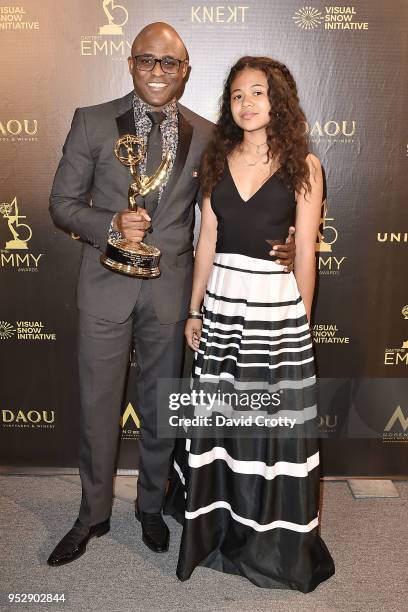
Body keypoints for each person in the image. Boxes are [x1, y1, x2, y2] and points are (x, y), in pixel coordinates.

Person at [47, 26, 296, 567]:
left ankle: (151, 507)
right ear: (130, 64)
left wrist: (286, 237)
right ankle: (91, 514)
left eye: (169, 62)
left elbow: (234, 204)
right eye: (146, 60)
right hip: (104, 287)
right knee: (96, 408)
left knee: (163, 409)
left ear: (185, 70)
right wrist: (110, 222)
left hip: (170, 293)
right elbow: (61, 204)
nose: (157, 71)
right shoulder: (91, 121)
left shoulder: (210, 136)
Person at [164, 56, 335, 593]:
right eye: (237, 95)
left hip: (273, 308)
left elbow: (304, 251)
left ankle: (269, 539)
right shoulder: (216, 161)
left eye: (257, 93)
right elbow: (206, 243)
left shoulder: (303, 164)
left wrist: (301, 326)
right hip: (222, 305)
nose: (246, 103)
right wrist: (195, 310)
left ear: (276, 99)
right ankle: (218, 526)